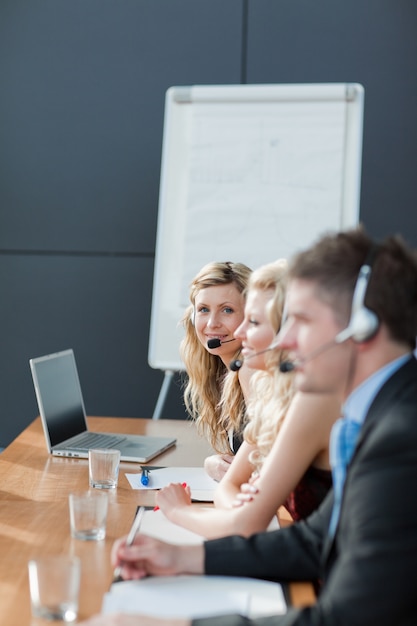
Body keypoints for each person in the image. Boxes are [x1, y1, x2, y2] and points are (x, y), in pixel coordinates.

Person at [79, 227, 417, 626]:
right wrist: (182, 558)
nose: (284, 339)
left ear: (362, 328)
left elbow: (346, 618)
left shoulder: (401, 439)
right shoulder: (378, 416)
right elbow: (316, 541)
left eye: (301, 320)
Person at [155, 260, 339, 537]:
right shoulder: (268, 389)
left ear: (285, 329)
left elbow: (247, 517)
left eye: (250, 320)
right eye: (203, 310)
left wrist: (180, 511)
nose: (239, 332)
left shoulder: (301, 397)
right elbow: (235, 489)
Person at [180, 261, 252, 481]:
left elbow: (265, 462)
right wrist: (213, 463)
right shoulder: (229, 372)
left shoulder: (251, 368)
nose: (212, 323)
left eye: (227, 310)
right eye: (203, 310)